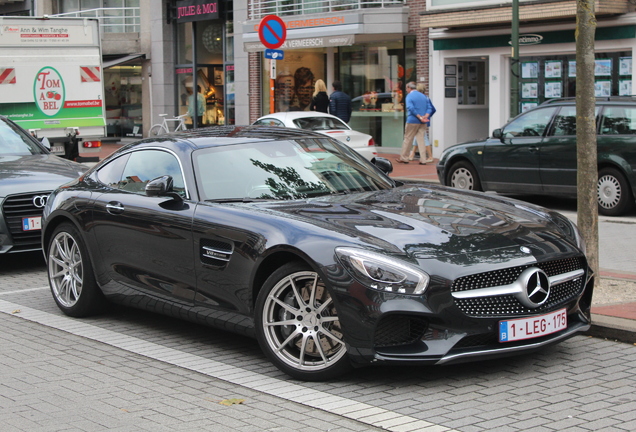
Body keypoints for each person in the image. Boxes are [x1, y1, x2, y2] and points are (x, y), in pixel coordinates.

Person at [396, 81, 433, 165]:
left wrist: (419, 116)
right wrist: (425, 117)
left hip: (412, 121)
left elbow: (410, 108)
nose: (406, 90)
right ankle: (423, 159)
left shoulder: (409, 96)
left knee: (408, 138)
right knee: (421, 139)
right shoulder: (424, 96)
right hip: (423, 122)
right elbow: (430, 108)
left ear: (409, 88)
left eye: (406, 88)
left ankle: (404, 158)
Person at [409, 83, 436, 162]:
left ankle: (430, 156)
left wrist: (425, 116)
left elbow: (432, 109)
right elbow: (432, 109)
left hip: (421, 121)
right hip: (420, 121)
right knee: (417, 137)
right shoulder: (425, 98)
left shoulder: (422, 99)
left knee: (423, 138)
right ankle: (412, 154)